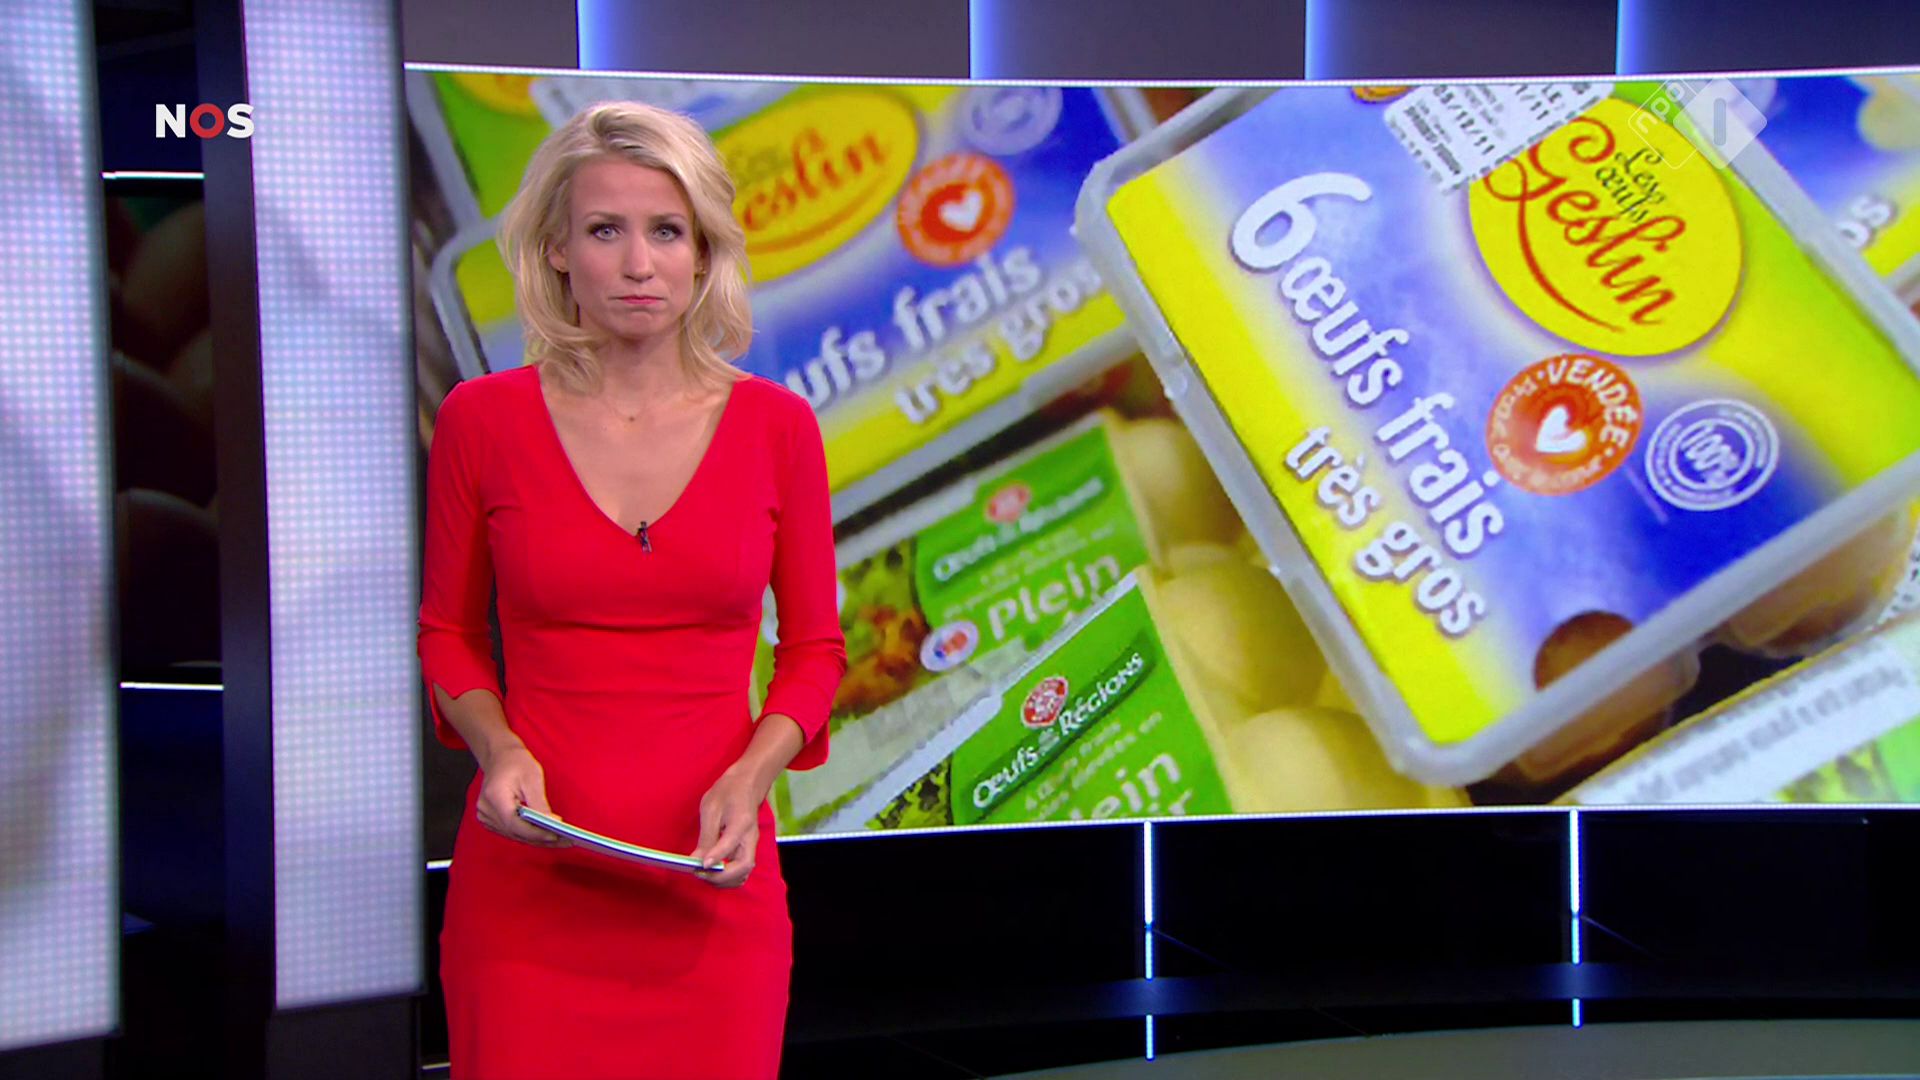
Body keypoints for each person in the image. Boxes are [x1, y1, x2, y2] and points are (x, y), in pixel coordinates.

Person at [418, 100, 847, 1080]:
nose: (639, 264)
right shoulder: (481, 420)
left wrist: (754, 774)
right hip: (528, 904)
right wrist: (498, 747)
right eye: (606, 231)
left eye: (667, 232)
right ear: (557, 250)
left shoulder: (778, 428)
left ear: (704, 251)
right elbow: (447, 634)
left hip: (709, 894)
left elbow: (815, 652)